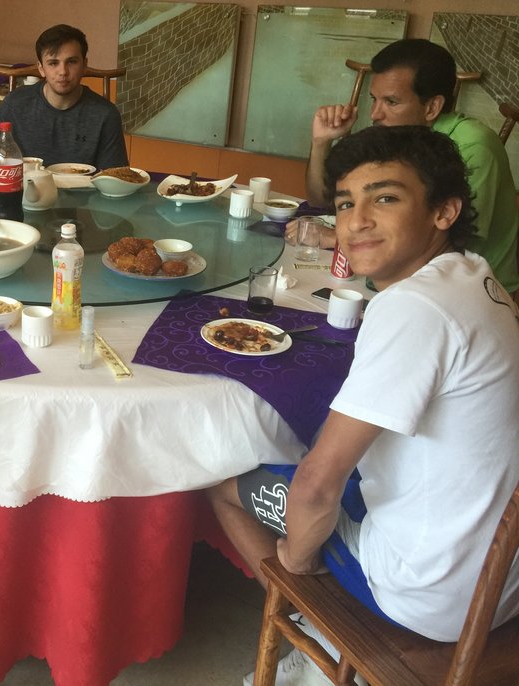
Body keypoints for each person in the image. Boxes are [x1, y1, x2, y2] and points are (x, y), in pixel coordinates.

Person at [208, 126, 519, 685]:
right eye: (347, 202)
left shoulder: (415, 308)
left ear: (444, 211)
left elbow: (316, 486)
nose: (357, 221)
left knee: (224, 486)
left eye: (386, 197)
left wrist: (294, 561)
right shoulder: (473, 275)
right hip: (500, 578)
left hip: (428, 593)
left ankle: (312, 632)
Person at [294, 39, 518, 293]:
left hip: (471, 292)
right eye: (374, 99)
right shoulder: (400, 139)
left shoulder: (474, 145)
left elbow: (456, 237)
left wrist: (338, 238)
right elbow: (320, 200)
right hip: (403, 278)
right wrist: (321, 142)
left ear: (432, 107)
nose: (375, 114)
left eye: (391, 102)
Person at [0, 24, 129, 171]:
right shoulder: (16, 103)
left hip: (83, 196)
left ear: (84, 65)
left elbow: (114, 177)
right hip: (24, 193)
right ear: (41, 68)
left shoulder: (105, 114)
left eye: (72, 62)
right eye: (53, 63)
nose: (62, 72)